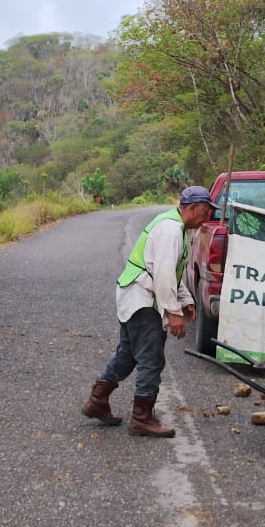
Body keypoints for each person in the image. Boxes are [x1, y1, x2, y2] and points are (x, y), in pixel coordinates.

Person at [81, 185, 217, 438]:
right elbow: (163, 274)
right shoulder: (170, 230)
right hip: (142, 299)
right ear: (192, 208)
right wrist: (173, 313)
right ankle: (142, 418)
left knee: (129, 354)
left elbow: (170, 273)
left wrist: (185, 299)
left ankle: (97, 400)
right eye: (207, 211)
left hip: (134, 295)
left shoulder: (175, 225)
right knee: (151, 358)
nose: (207, 218)